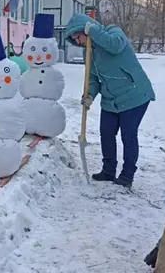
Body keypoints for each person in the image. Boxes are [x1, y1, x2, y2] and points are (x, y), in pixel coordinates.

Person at [64, 13, 155, 188]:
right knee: (106, 132)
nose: (78, 41)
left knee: (128, 135)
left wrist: (94, 31)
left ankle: (127, 175)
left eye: (78, 36)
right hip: (111, 100)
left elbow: (116, 46)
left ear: (85, 29)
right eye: (74, 39)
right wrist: (89, 95)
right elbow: (92, 79)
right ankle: (108, 170)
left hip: (134, 94)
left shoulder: (113, 32)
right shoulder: (88, 52)